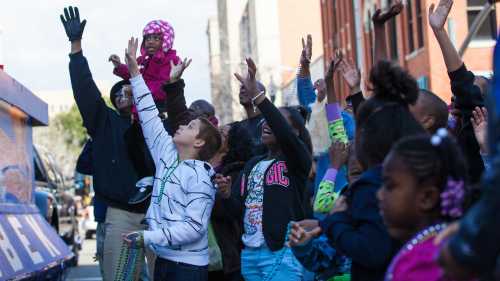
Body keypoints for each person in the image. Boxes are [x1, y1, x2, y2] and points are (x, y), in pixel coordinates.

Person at [288, 60, 426, 281]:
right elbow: (332, 116)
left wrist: (333, 169)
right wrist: (333, 83)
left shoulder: (377, 190)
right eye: (354, 173)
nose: (360, 177)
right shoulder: (346, 161)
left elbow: (323, 205)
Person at [60, 8, 153, 280]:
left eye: (129, 90)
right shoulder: (105, 123)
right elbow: (84, 89)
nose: (124, 94)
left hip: (159, 217)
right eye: (118, 93)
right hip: (121, 216)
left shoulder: (154, 123)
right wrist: (76, 47)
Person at [121, 37, 222, 281]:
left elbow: (193, 228)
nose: (182, 126)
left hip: (188, 268)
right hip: (164, 260)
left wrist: (148, 237)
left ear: (199, 142)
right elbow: (149, 115)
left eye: (190, 126)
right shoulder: (166, 152)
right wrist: (135, 72)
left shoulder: (201, 177)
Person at [217, 58, 312, 281]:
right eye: (266, 121)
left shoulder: (297, 160)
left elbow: (282, 130)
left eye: (277, 121)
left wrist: (259, 99)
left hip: (282, 251)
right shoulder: (253, 164)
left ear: (295, 133)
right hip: (250, 254)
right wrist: (227, 195)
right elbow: (239, 210)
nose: (267, 124)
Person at [378, 130, 469, 281]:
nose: (379, 195)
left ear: (427, 198)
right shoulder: (435, 247)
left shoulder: (427, 262)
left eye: (389, 185)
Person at [429, 0, 486, 183]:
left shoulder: (480, 138)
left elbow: (463, 85)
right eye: (454, 98)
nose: (456, 102)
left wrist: (439, 32)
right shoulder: (443, 141)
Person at [208, 122, 254, 281]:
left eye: (222, 134)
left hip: (225, 250)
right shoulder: (200, 161)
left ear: (232, 143)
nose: (215, 135)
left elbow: (227, 210)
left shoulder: (236, 172)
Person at [109, 19, 180, 116]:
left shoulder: (171, 60)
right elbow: (133, 74)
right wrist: (119, 65)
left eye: (156, 38)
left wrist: (136, 89)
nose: (150, 42)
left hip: (160, 111)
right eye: (147, 38)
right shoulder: (143, 59)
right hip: (142, 109)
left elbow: (163, 88)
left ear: (166, 40)